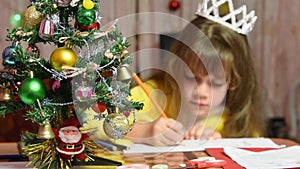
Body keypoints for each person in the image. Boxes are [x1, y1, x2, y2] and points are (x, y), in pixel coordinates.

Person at [125, 2, 266, 146]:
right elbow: (103, 121)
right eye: (191, 77)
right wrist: (144, 131)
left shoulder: (237, 121)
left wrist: (220, 146)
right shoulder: (153, 93)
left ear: (235, 82)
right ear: (176, 68)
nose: (201, 92)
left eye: (216, 83)